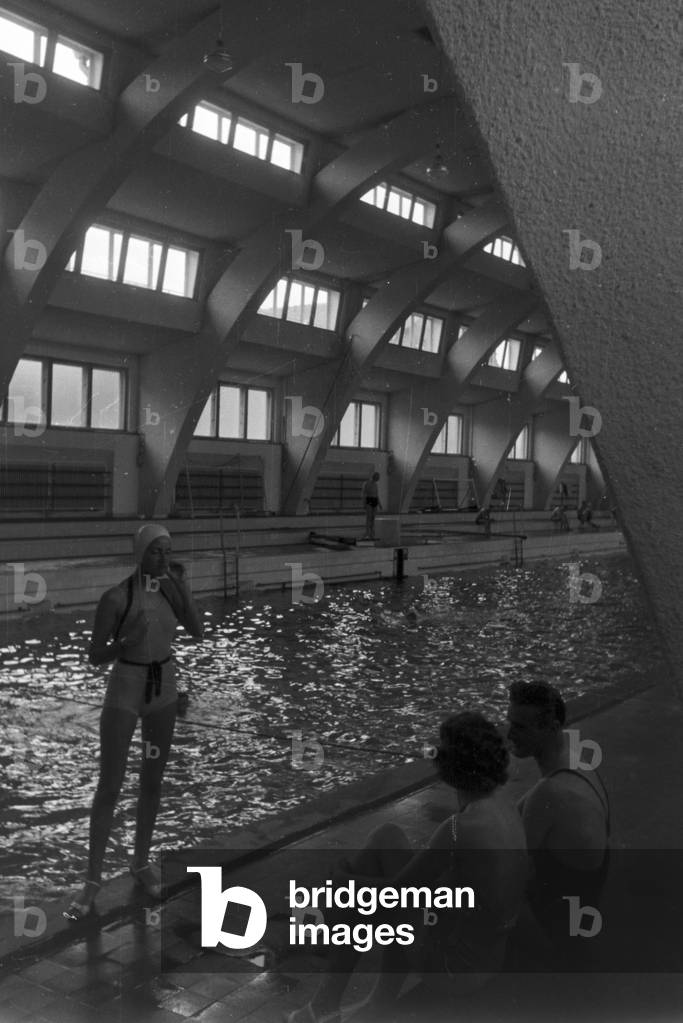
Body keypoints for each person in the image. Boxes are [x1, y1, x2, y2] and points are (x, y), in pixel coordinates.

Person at [285, 712, 528, 1022]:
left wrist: (343, 883)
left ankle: (327, 1005)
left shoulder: (460, 827)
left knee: (361, 895)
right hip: (489, 954)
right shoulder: (503, 805)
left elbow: (395, 893)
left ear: (449, 768)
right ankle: (362, 1001)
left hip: (456, 968)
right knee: (387, 837)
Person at [65, 523, 203, 919]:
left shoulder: (172, 593)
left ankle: (140, 862)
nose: (163, 557)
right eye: (156, 551)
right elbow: (94, 655)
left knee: (153, 781)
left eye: (168, 551)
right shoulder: (116, 598)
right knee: (110, 785)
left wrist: (184, 588)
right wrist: (124, 642)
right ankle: (92, 879)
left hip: (164, 687)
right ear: (140, 554)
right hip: (125, 686)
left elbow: (197, 631)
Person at [506, 682, 610, 963]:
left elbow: (509, 873)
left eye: (520, 727)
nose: (509, 734)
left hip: (556, 933)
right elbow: (513, 814)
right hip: (580, 914)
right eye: (509, 723)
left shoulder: (550, 792)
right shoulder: (577, 764)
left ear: (551, 728)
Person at [361, 472, 382, 539]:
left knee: (373, 518)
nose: (378, 479)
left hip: (374, 500)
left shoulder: (376, 484)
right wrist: (364, 503)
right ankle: (367, 532)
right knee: (369, 518)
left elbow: (376, 495)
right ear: (374, 476)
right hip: (369, 500)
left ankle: (372, 532)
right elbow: (364, 494)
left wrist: (379, 504)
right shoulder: (367, 483)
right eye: (378, 477)